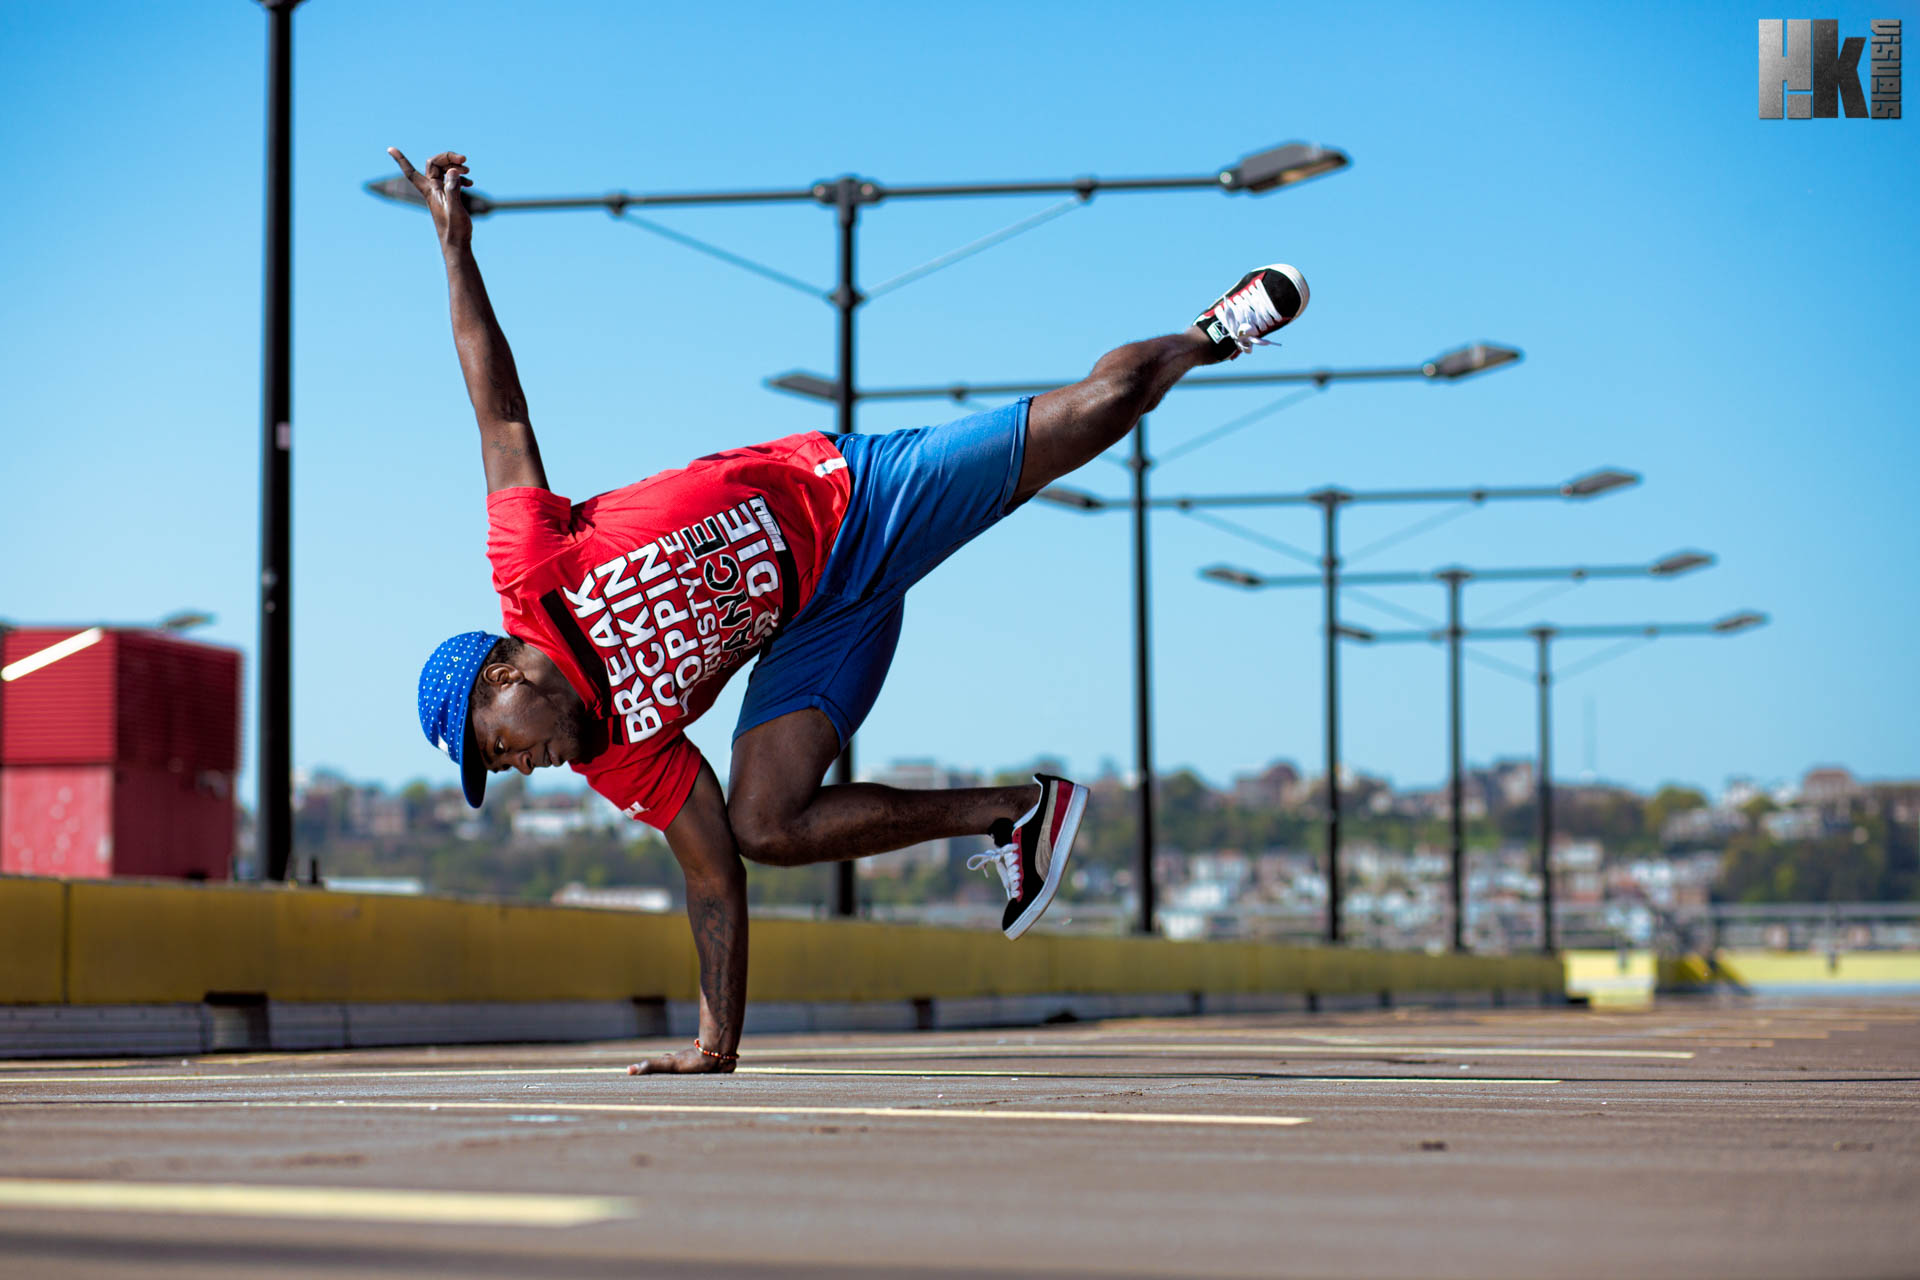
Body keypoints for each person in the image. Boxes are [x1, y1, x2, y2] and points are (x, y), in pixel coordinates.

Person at [395, 148, 1309, 1075]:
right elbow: (714, 877)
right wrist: (716, 1047)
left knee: (1096, 408)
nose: (515, 767)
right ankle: (1016, 814)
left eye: (496, 745)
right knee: (762, 822)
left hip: (859, 499)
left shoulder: (531, 564)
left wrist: (454, 250)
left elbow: (499, 411)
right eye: (497, 770)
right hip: (819, 625)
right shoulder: (618, 756)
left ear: (501, 675)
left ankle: (1213, 334)